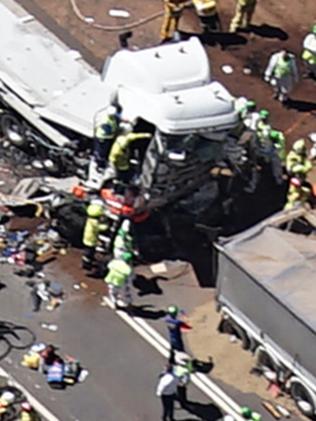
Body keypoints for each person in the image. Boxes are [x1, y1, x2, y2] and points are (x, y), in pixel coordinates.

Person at [82, 199, 108, 271]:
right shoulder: (94, 222)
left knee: (88, 252)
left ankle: (87, 261)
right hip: (91, 240)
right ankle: (87, 265)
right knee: (89, 253)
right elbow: (101, 228)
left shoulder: (89, 219)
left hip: (87, 238)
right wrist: (106, 225)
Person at [93, 105, 121, 169]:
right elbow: (110, 130)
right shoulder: (105, 121)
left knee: (105, 149)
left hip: (107, 137)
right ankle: (100, 164)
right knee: (102, 151)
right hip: (103, 138)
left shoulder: (111, 117)